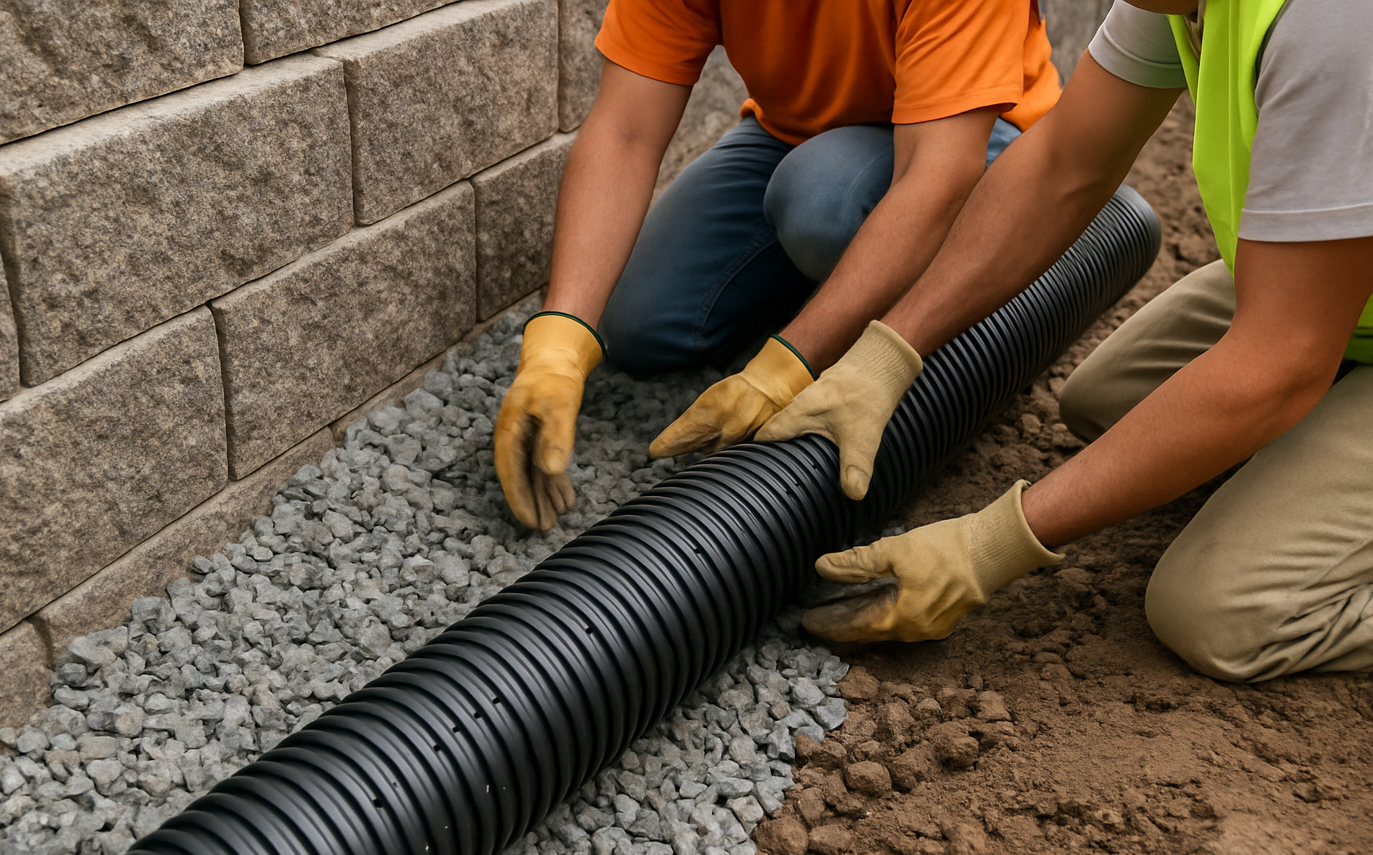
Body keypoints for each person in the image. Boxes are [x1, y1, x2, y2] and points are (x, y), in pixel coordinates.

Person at [759, 0, 1373, 682]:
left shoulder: (1337, 25)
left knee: (1219, 613)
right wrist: (886, 355)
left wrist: (987, 545)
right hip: (1332, 284)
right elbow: (1061, 165)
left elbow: (1277, 362)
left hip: (1318, 310)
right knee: (1106, 402)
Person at [492, 0, 1061, 530]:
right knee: (639, 322)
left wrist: (786, 366)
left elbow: (937, 177)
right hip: (795, 136)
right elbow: (625, 131)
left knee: (820, 204)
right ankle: (840, 280)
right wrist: (559, 342)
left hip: (975, 138)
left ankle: (889, 308)